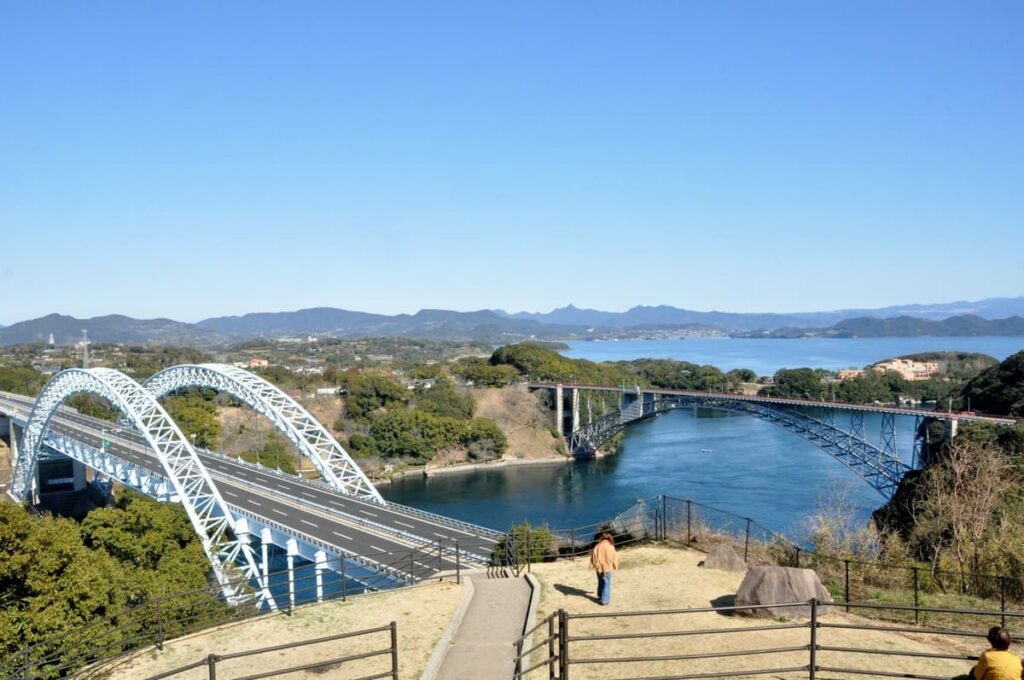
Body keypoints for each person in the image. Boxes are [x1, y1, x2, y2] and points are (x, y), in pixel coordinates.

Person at [957, 627, 1023, 680]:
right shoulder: (1016, 658)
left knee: (970, 673)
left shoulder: (987, 656)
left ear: (990, 640)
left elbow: (976, 676)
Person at [590, 532, 618, 606]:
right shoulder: (611, 546)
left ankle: (600, 596)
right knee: (607, 582)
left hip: (599, 567)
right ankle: (604, 600)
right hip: (608, 567)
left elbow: (593, 556)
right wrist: (615, 566)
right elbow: (614, 557)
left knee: (601, 581)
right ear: (610, 538)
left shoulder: (597, 546)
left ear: (602, 538)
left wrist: (593, 565)